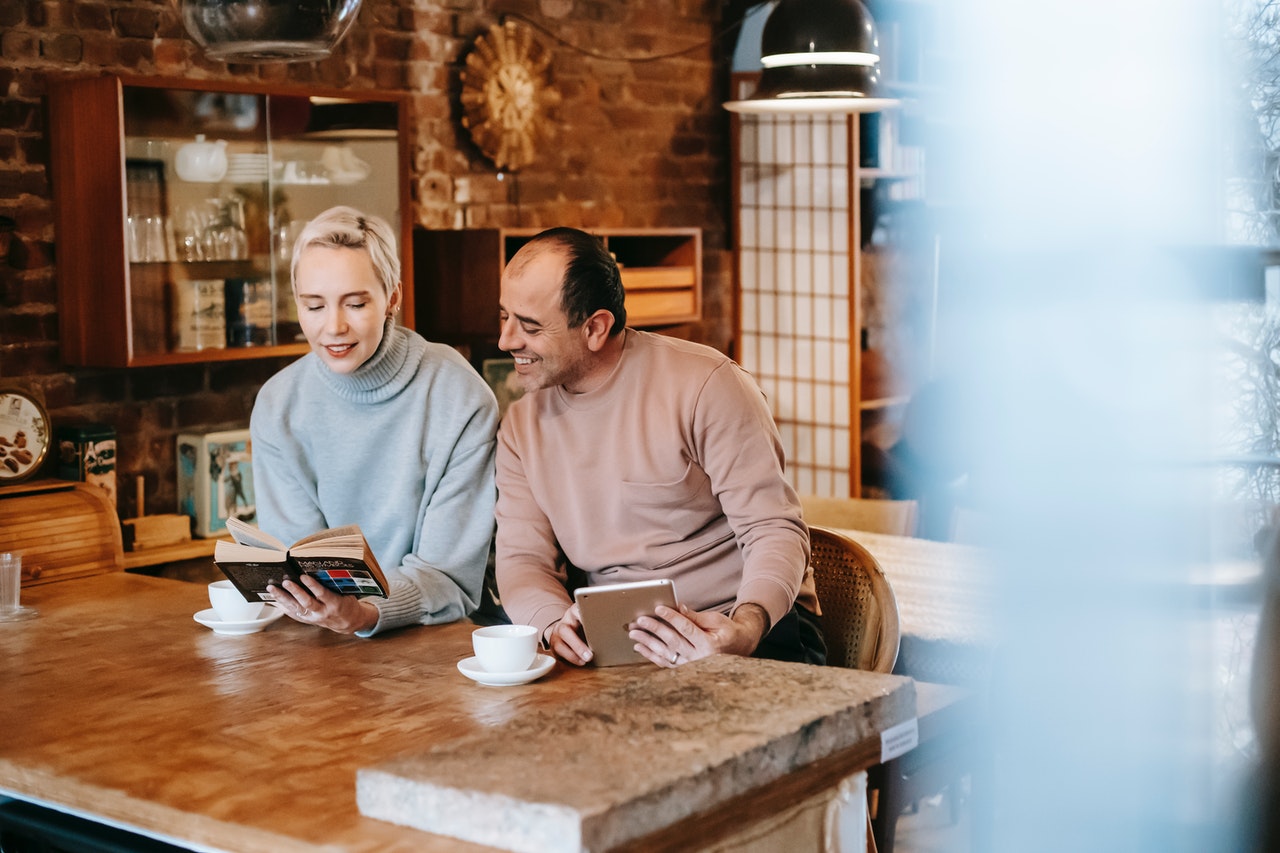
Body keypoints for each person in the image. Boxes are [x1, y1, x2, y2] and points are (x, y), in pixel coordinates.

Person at [494, 227, 824, 668]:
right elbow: (522, 560)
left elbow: (773, 528)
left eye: (530, 326)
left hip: (741, 625)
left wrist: (746, 626)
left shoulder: (707, 384)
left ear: (595, 328)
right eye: (504, 317)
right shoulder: (520, 426)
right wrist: (554, 624)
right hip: (616, 641)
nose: (506, 341)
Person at [251, 206, 500, 636]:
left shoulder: (458, 396)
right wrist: (328, 608)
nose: (334, 327)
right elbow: (299, 562)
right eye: (314, 306)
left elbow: (449, 576)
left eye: (356, 303)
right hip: (324, 639)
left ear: (393, 298)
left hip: (444, 639)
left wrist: (365, 613)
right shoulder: (279, 405)